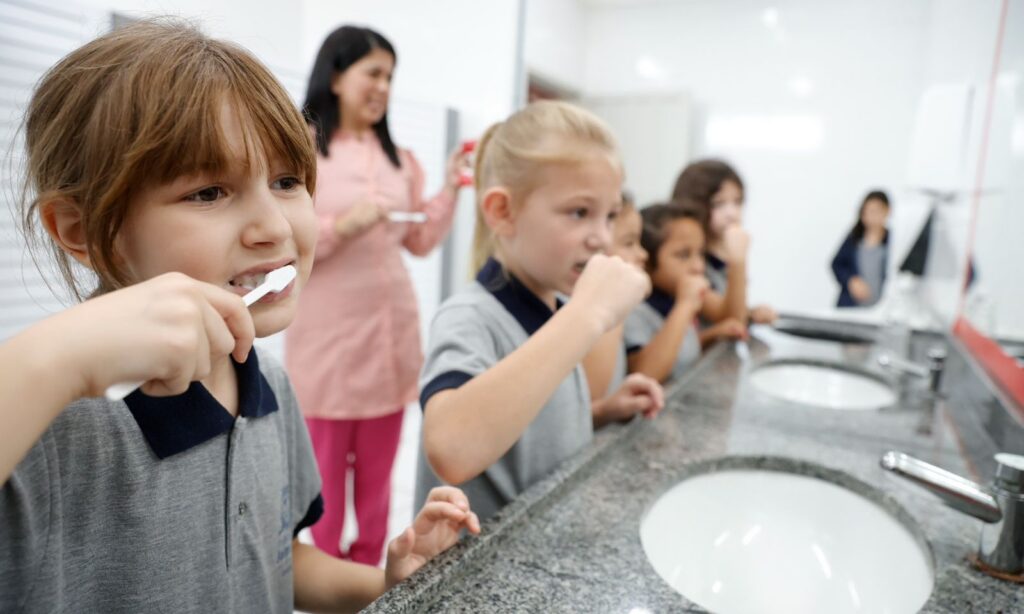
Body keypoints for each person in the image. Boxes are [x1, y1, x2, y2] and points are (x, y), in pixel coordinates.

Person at [0, 21, 478, 613]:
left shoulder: (267, 383)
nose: (275, 228)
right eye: (208, 193)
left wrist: (383, 583)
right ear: (82, 231)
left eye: (286, 181)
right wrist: (56, 360)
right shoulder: (47, 425)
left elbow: (280, 557)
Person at [414, 101, 665, 521]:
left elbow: (527, 429)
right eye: (580, 212)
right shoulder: (469, 316)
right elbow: (451, 448)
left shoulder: (557, 309)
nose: (602, 237)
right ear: (502, 212)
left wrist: (601, 411)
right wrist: (588, 315)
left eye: (610, 215)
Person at [288, 25, 471, 564]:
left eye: (390, 76)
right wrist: (342, 225)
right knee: (322, 488)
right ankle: (325, 584)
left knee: (376, 490)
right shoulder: (299, 154)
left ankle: (369, 580)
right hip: (326, 346)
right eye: (373, 73)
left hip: (389, 344)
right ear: (337, 75)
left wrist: (451, 186)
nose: (383, 86)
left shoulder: (401, 161)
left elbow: (418, 238)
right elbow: (283, 244)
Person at [625, 203, 746, 383]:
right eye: (683, 255)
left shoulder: (673, 295)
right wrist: (685, 305)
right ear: (647, 260)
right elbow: (645, 375)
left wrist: (710, 336)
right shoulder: (634, 311)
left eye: (700, 254)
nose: (698, 267)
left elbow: (679, 351)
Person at [671, 159, 777, 326]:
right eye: (718, 204)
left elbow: (734, 311)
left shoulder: (720, 257)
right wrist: (738, 260)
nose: (732, 213)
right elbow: (732, 320)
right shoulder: (688, 262)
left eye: (738, 202)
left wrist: (749, 313)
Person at [831, 190, 891, 307]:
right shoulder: (854, 239)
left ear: (887, 210)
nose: (872, 216)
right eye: (868, 211)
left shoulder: (893, 241)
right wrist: (850, 281)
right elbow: (836, 264)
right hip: (851, 308)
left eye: (876, 211)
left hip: (880, 309)